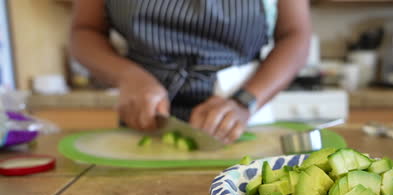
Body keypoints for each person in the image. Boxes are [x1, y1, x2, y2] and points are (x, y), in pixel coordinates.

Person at [71, 0, 311, 144]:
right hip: (144, 113)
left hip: (242, 111)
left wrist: (244, 101)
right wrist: (128, 77)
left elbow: (296, 35)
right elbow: (85, 31)